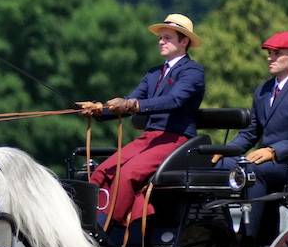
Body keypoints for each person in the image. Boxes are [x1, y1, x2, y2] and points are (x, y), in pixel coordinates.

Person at [77, 13, 205, 229]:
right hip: (149, 138)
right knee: (102, 171)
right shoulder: (154, 74)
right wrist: (100, 109)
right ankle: (88, 223)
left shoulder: (192, 72)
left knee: (127, 174)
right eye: (160, 38)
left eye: (167, 38)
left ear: (184, 41)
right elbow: (129, 101)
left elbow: (174, 100)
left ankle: (108, 227)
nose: (161, 42)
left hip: (175, 139)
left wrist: (134, 105)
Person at [216, 31, 288, 247]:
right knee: (217, 167)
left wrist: (274, 151)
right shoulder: (263, 90)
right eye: (269, 53)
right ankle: (218, 233)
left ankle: (249, 242)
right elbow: (250, 133)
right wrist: (224, 151)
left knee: (254, 170)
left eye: (277, 53)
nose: (270, 58)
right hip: (267, 162)